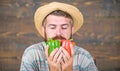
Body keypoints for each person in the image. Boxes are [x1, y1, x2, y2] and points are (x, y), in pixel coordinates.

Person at [20, 2, 98, 71]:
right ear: (44, 31)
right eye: (52, 27)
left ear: (72, 30)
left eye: (64, 27)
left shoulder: (84, 57)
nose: (58, 33)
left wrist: (68, 70)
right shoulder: (32, 54)